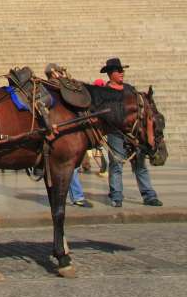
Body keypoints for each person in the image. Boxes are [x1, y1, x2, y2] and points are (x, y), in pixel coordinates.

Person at [100, 57, 162, 208]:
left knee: (140, 164)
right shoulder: (105, 93)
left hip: (135, 133)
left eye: (122, 70)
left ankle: (149, 196)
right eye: (118, 71)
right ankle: (116, 196)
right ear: (110, 73)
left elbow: (145, 110)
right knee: (116, 164)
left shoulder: (130, 89)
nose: (122, 73)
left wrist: (149, 132)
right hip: (116, 132)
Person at [44, 63, 92, 207]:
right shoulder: (53, 88)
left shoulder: (59, 87)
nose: (62, 74)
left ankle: (74, 196)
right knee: (69, 166)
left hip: (67, 132)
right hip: (62, 132)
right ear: (54, 73)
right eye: (59, 72)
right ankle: (76, 196)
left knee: (71, 167)